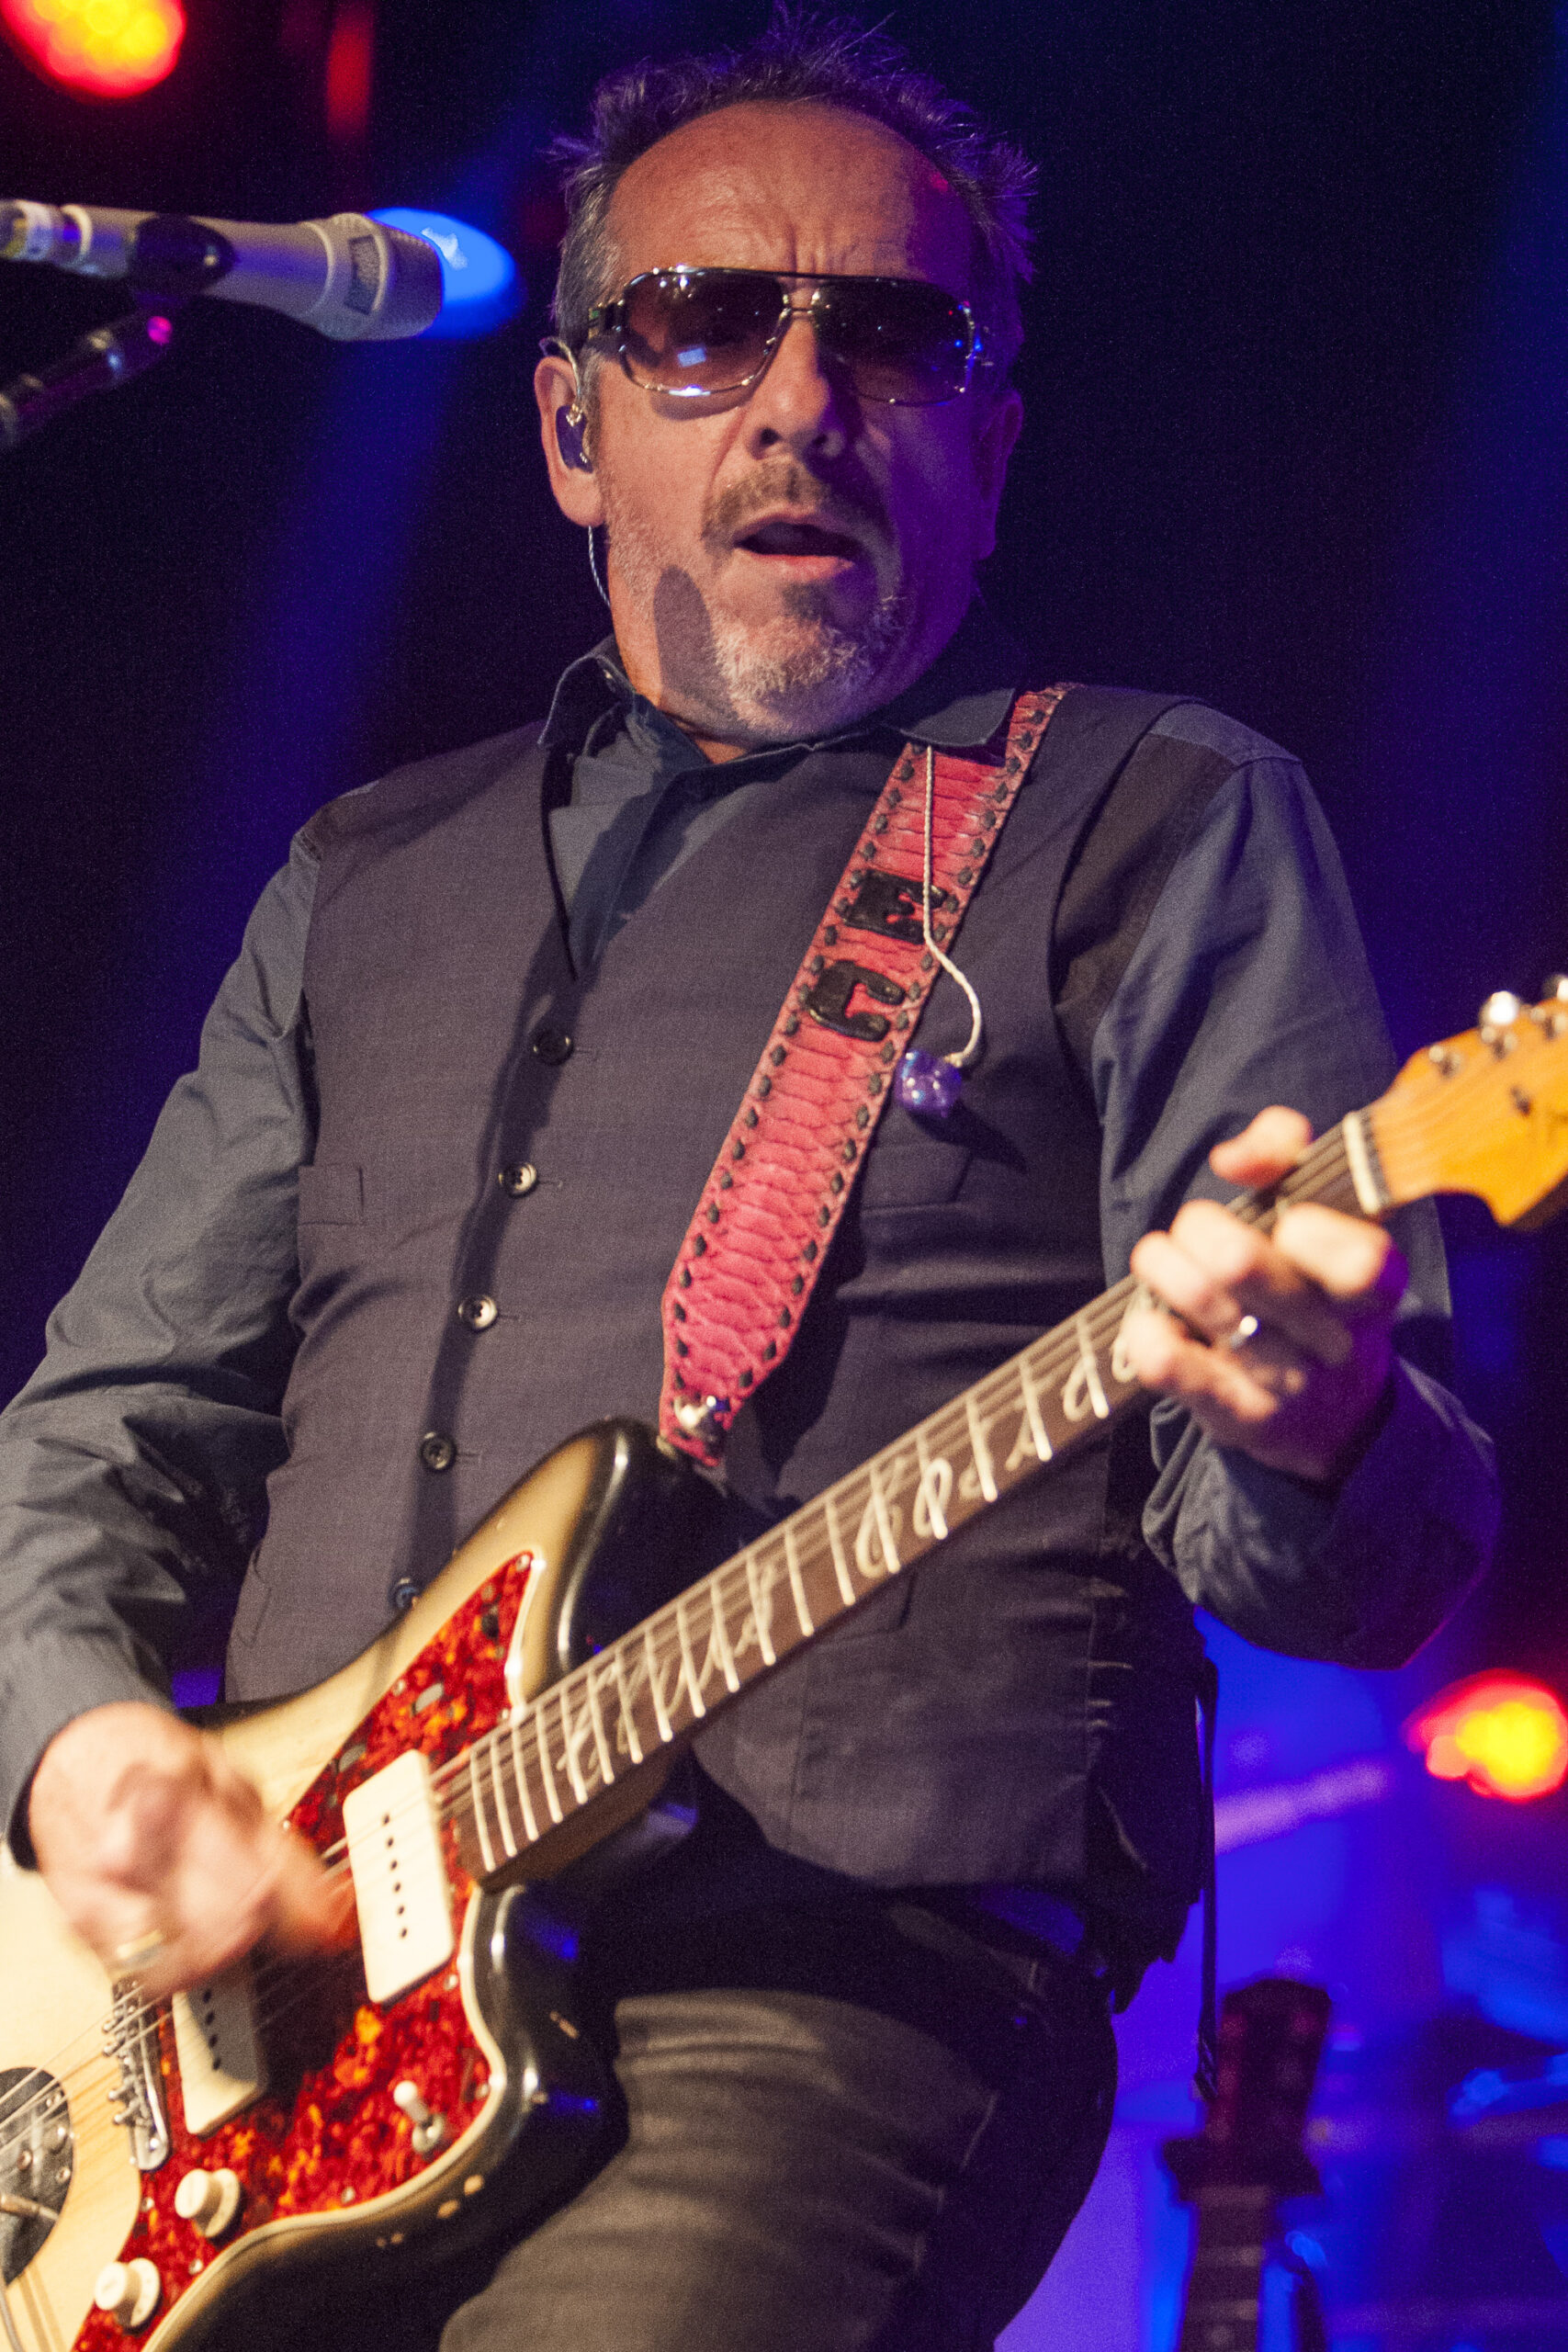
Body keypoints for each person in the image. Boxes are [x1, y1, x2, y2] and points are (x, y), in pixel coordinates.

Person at [0, 17, 1498, 2351]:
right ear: (572, 427)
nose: (801, 400)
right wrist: (86, 1744)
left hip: (814, 1996)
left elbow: (1353, 1557)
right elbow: (103, 1431)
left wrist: (1306, 1418)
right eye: (703, 326)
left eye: (889, 334)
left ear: (989, 440)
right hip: (260, 2034)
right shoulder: (362, 871)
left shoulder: (1153, 814)